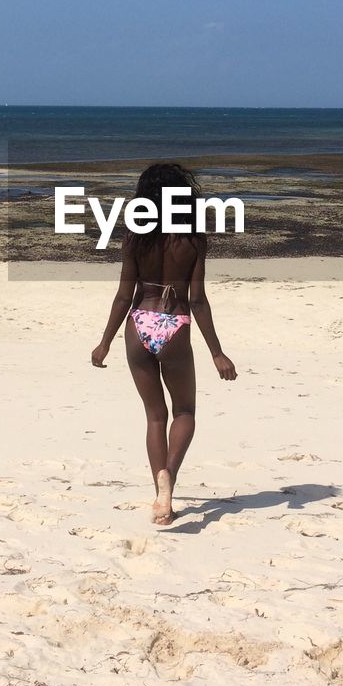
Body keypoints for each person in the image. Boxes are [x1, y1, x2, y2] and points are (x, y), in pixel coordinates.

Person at [91, 162, 237, 526]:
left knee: (155, 416)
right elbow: (198, 299)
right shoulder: (193, 240)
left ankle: (161, 492)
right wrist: (216, 352)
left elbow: (124, 295)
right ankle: (169, 474)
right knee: (184, 412)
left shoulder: (133, 237)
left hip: (138, 323)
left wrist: (104, 342)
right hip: (175, 325)